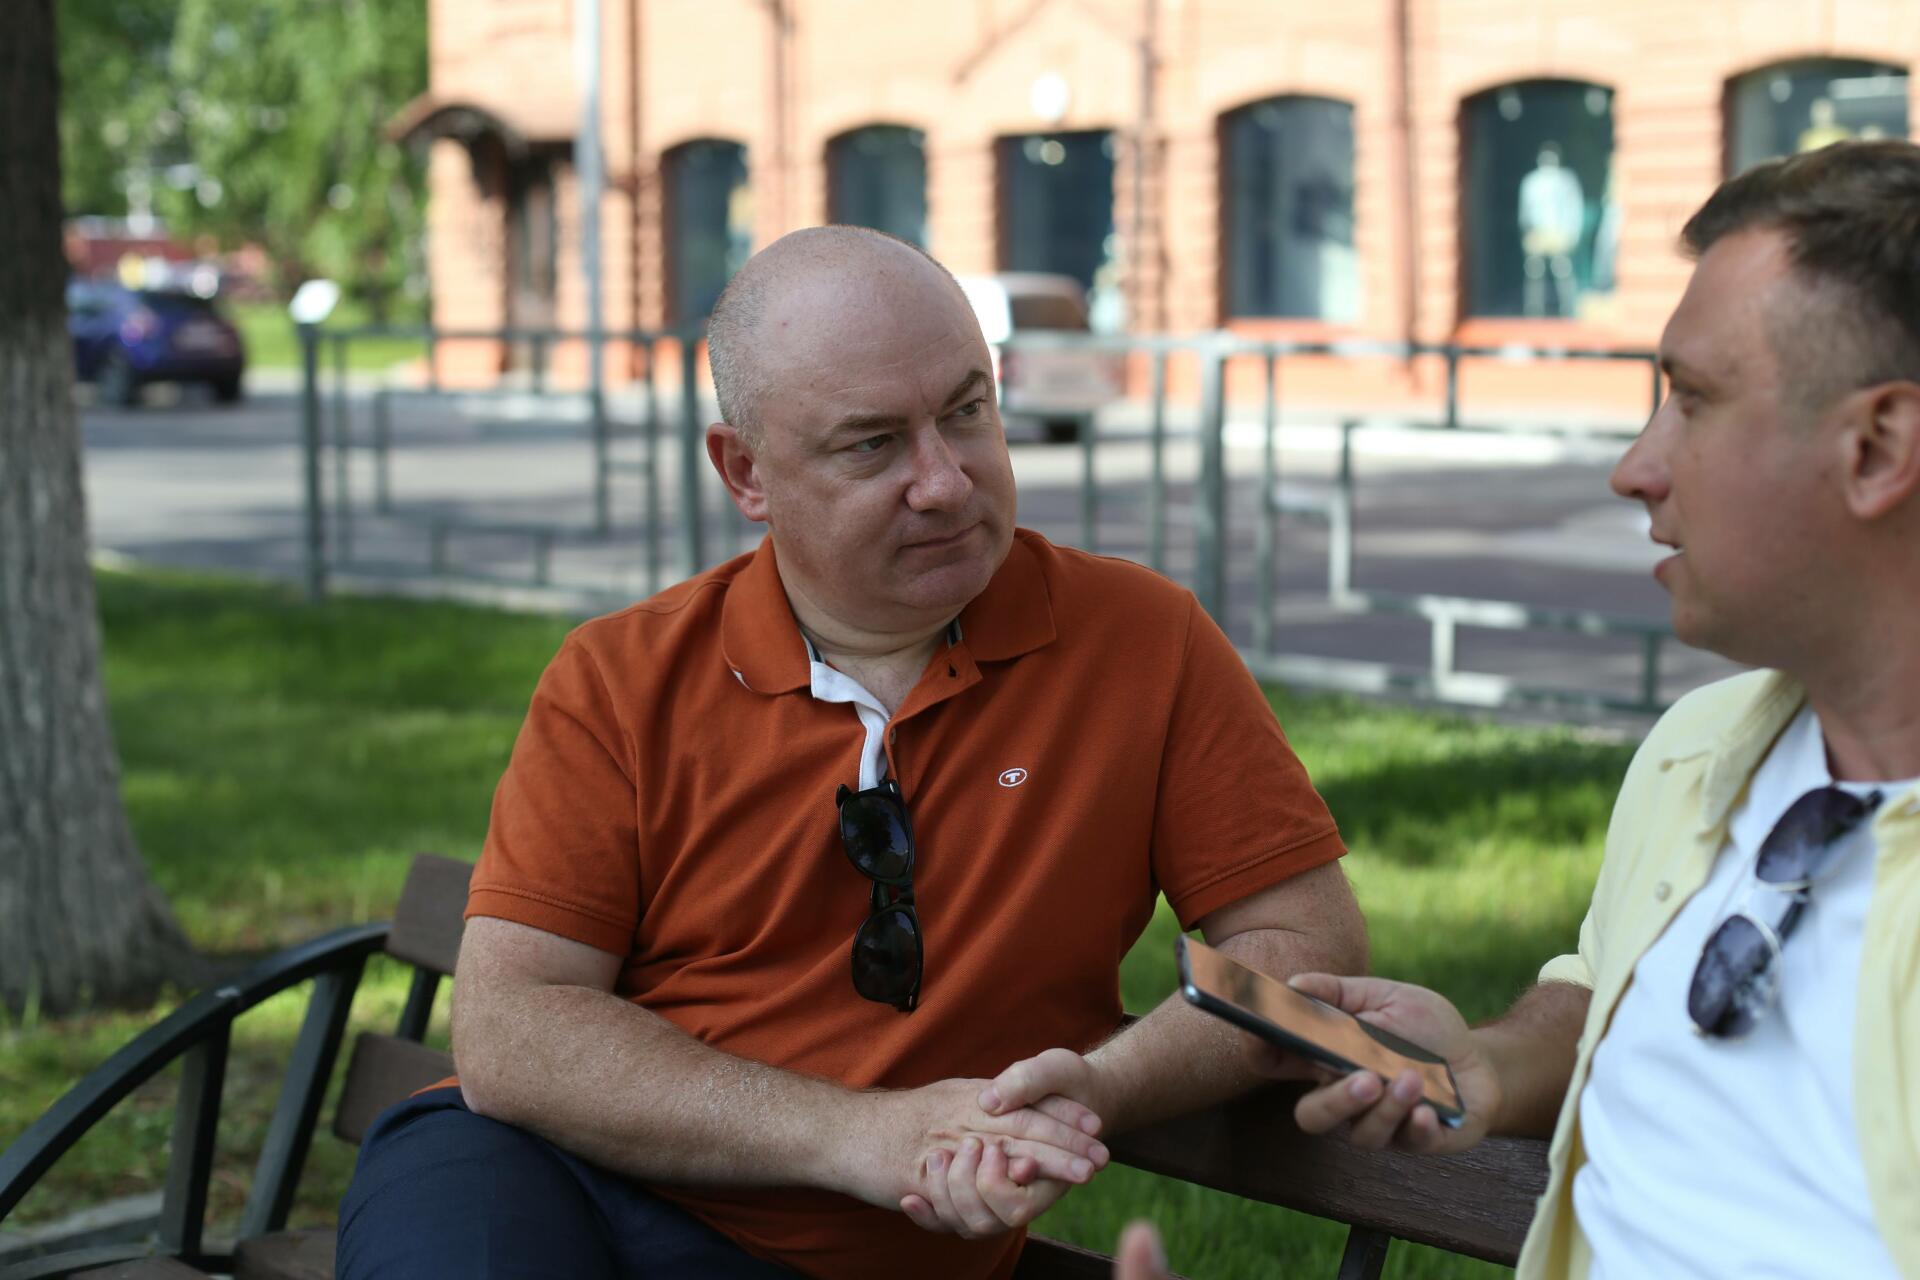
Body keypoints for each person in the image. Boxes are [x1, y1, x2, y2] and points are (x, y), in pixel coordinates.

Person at [334, 225, 1368, 1280]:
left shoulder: (1143, 645)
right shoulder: (622, 676)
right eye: (872, 444)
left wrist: (1102, 1085)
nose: (945, 482)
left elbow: (1307, 951)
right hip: (538, 1181)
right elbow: (513, 1028)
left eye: (966, 411)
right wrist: (859, 1133)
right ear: (747, 472)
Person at [1108, 138, 1920, 1279]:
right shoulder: (1705, 748)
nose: (1636, 466)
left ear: (1877, 448)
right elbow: (1607, 999)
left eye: (1693, 400)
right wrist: (1485, 1063)